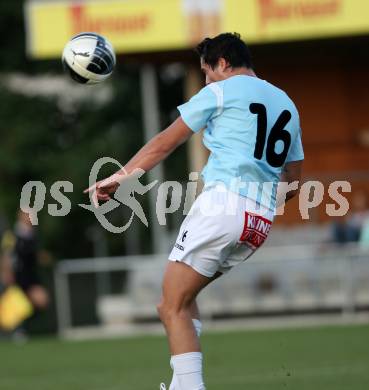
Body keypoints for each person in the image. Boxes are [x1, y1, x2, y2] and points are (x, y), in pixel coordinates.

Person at [85, 33, 304, 390]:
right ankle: (182, 384)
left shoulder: (219, 91)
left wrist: (119, 178)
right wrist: (258, 204)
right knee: (179, 303)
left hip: (222, 207)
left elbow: (164, 143)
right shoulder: (286, 103)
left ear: (222, 63)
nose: (205, 81)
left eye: (206, 71)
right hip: (259, 222)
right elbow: (293, 180)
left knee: (171, 306)